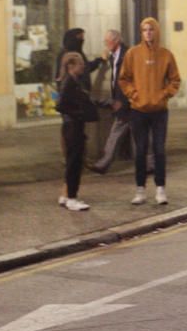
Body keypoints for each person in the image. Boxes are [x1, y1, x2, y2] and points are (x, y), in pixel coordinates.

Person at [119, 17, 181, 205]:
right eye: (145, 30)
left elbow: (175, 80)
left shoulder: (166, 55)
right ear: (141, 32)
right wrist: (133, 94)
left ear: (157, 31)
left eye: (151, 30)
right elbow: (124, 79)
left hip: (159, 110)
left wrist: (164, 94)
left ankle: (160, 188)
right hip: (138, 110)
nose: (148, 33)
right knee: (141, 151)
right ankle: (140, 189)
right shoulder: (132, 54)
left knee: (159, 150)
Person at [56, 52, 99, 211]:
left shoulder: (73, 81)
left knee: (72, 163)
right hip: (72, 128)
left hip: (73, 127)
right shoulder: (69, 83)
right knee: (74, 163)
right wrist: (78, 114)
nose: (83, 67)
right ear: (71, 67)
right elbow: (60, 105)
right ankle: (72, 198)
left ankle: (66, 196)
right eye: (80, 64)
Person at [88, 29, 131, 174]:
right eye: (105, 42)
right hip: (121, 101)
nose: (106, 44)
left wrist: (122, 101)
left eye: (108, 42)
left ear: (116, 40)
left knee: (127, 133)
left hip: (128, 102)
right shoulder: (113, 56)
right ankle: (103, 163)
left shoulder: (127, 55)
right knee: (123, 133)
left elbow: (128, 81)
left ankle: (104, 163)